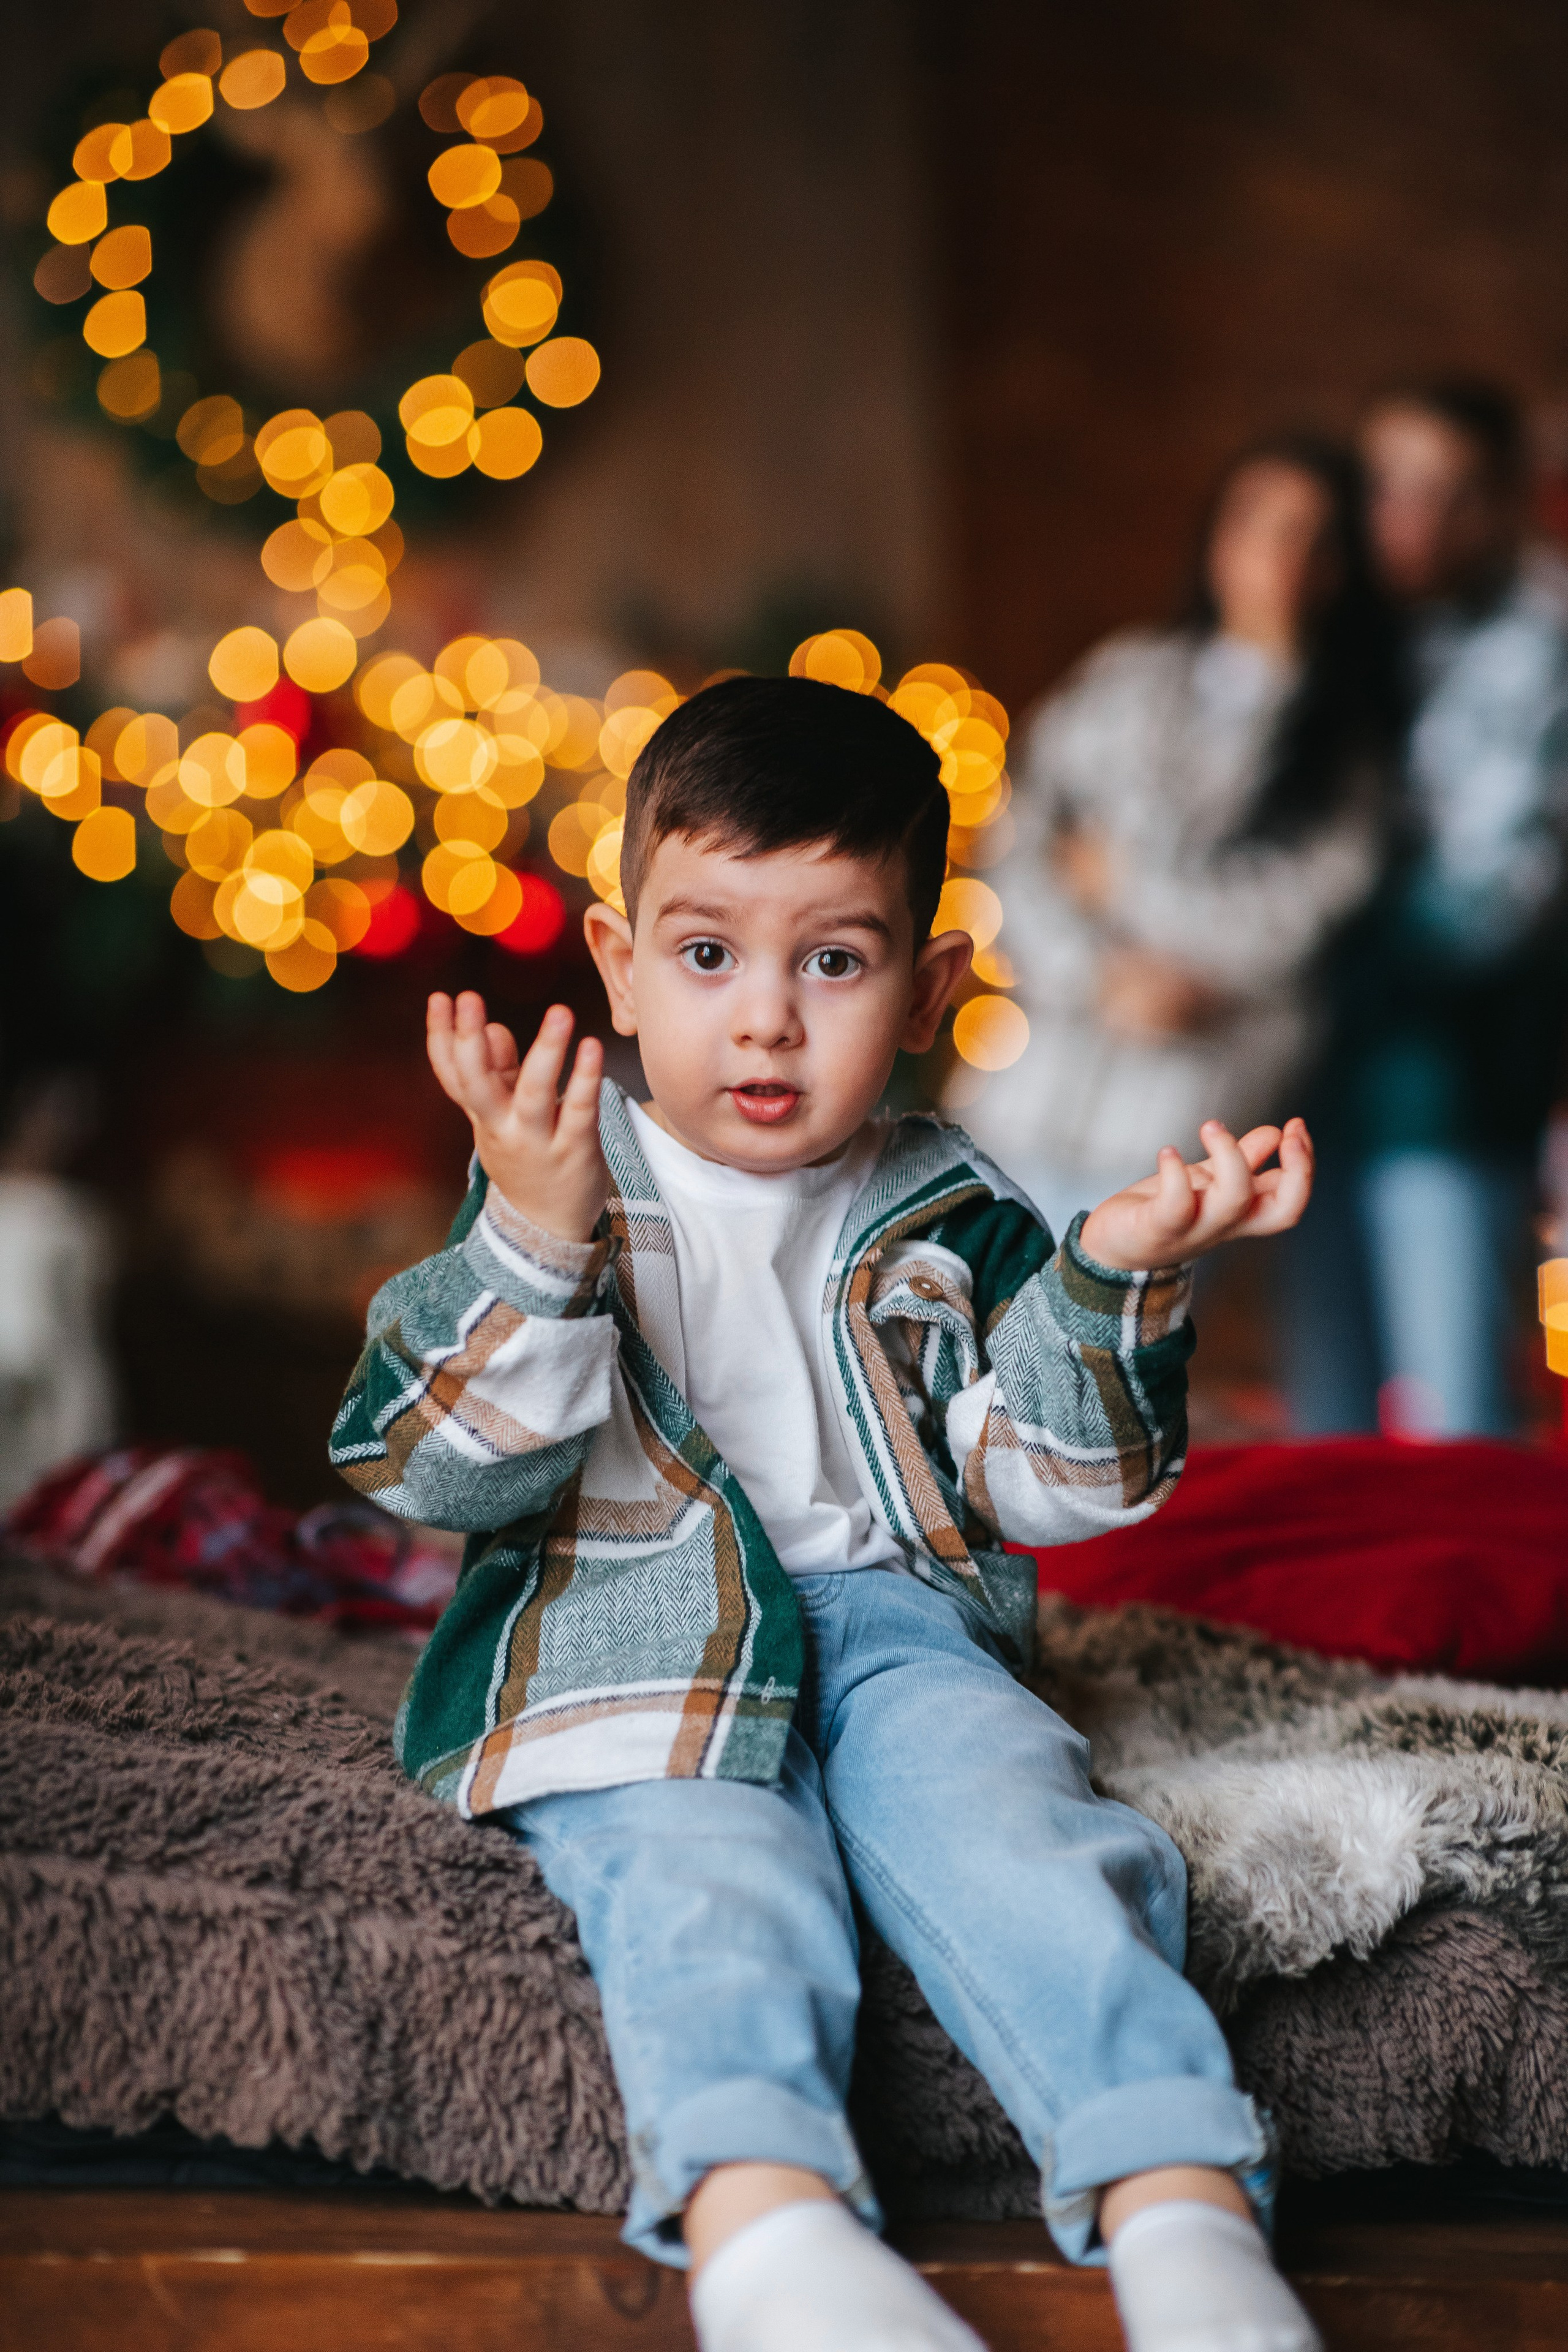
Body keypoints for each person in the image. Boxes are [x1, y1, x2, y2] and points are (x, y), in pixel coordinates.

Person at [330, 678, 1320, 2352]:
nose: (769, 1021)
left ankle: (1184, 2211)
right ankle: (772, 2233)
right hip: (632, 1640)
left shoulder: (954, 1202)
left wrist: (1117, 1282)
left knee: (1026, 1835)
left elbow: (1057, 1487)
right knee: (710, 1878)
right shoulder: (572, 1181)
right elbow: (436, 1476)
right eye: (708, 956)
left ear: (929, 988)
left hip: (902, 1627)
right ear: (619, 963)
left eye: (835, 961)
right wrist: (529, 1237)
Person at [962, 435, 1400, 1248]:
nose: (1275, 554)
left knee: (1109, 1351)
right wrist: (1095, 974)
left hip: (1186, 1102)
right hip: (1033, 1078)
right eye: (1255, 522)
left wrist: (1122, 884)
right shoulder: (1126, 674)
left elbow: (1289, 920)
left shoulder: (1348, 742)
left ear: (1340, 563)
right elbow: (1018, 840)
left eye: (1307, 533)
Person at [1283, 380, 1568, 1436]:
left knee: (1459, 1426)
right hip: (1318, 1088)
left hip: (1454, 1091)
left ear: (1506, 501)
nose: (1412, 519)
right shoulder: (1344, 633)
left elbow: (1501, 894)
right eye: (1389, 488)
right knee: (1329, 1419)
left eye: (1449, 492)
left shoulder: (1542, 644)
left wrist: (1292, 962)